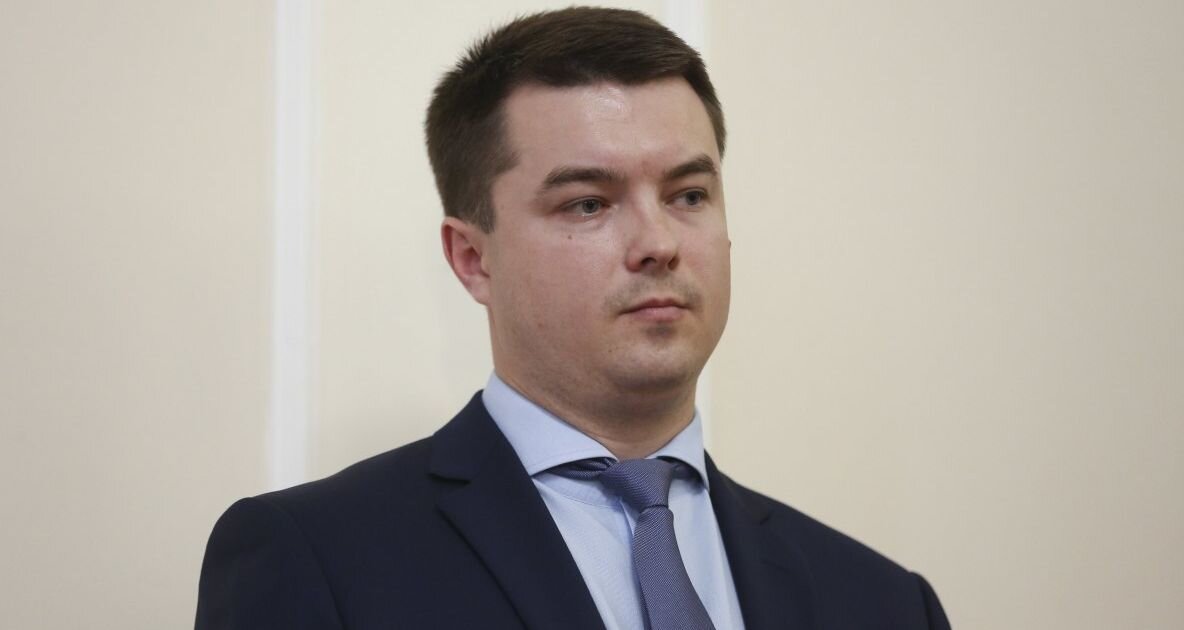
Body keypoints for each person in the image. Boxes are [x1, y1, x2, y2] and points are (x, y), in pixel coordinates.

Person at [195, 7, 951, 629]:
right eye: (588, 203)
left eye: (689, 195)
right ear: (472, 258)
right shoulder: (318, 560)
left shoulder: (883, 603)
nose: (658, 243)